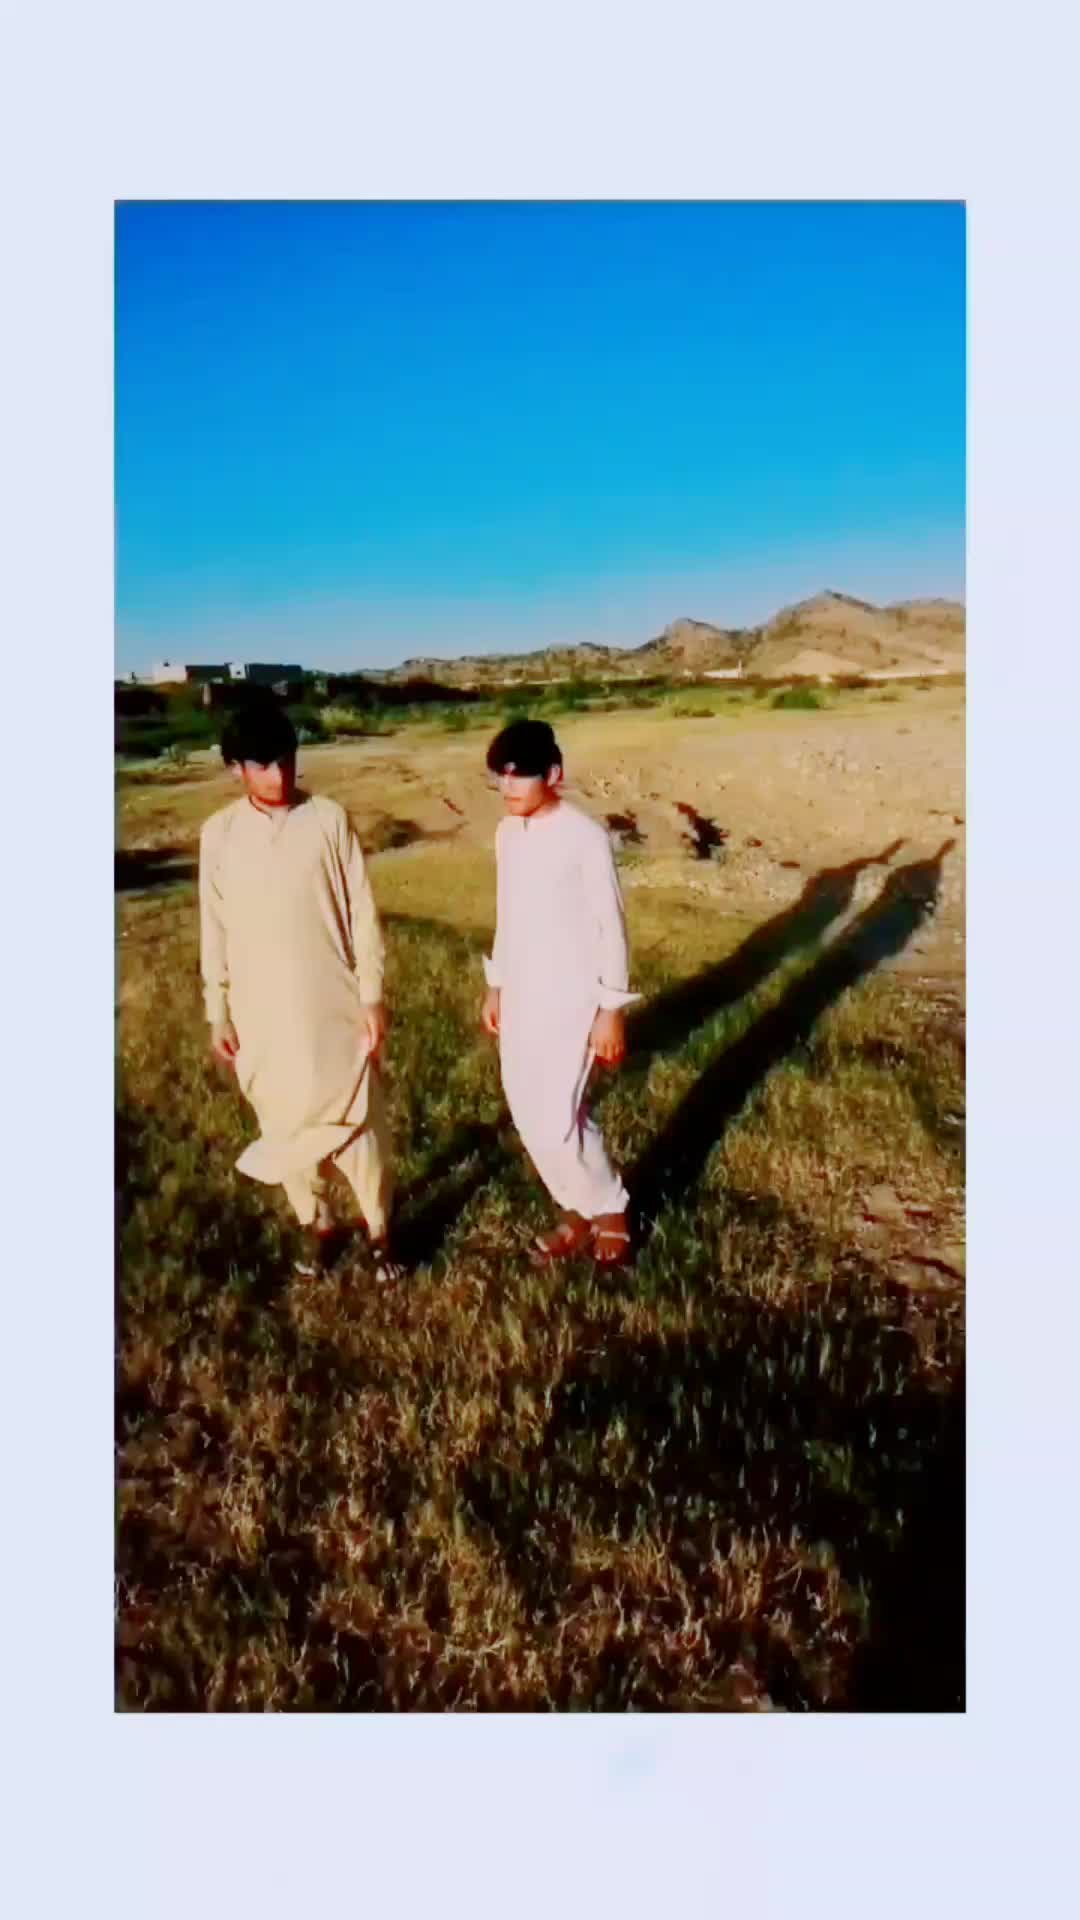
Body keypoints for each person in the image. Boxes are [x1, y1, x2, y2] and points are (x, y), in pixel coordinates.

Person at [198, 693, 403, 1281]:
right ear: (236, 769)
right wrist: (219, 1011)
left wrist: (371, 994)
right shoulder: (219, 834)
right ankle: (318, 1224)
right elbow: (214, 926)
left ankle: (381, 1233)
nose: (279, 774)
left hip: (332, 1003)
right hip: (260, 1013)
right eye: (263, 765)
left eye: (286, 759)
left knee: (358, 1121)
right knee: (285, 1125)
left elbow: (362, 912)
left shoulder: (329, 819)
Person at [480, 718, 638, 1265]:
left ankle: (610, 1209)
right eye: (500, 776)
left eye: (520, 775)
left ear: (553, 774)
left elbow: (611, 927)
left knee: (556, 1117)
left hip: (573, 999)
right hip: (522, 994)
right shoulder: (507, 834)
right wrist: (496, 985)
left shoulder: (584, 837)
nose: (508, 787)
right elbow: (506, 915)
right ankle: (575, 1208)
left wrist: (610, 1010)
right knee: (529, 1113)